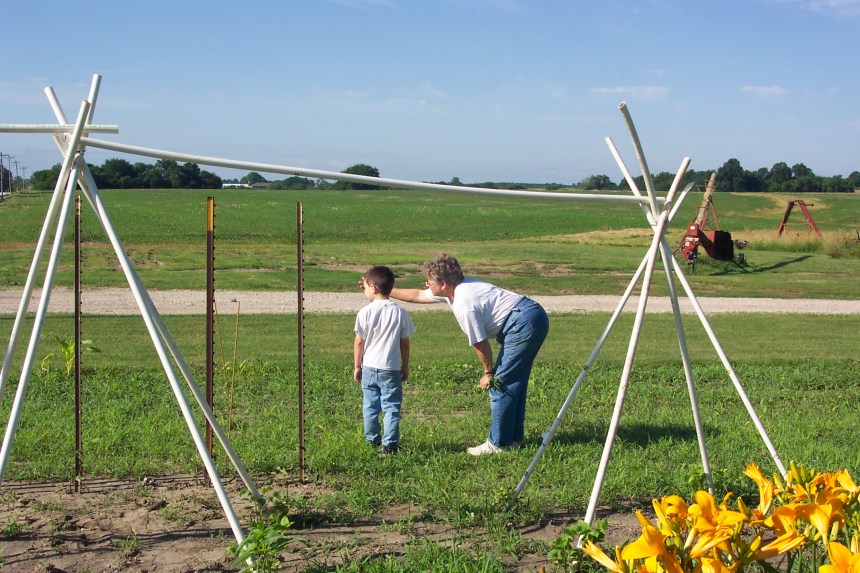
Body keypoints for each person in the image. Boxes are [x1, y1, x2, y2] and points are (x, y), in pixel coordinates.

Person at [391, 253, 549, 456]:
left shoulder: (464, 302)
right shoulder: (455, 289)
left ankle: (498, 444)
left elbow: (480, 343)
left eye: (429, 281)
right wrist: (387, 291)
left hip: (523, 323)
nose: (427, 285)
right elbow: (417, 295)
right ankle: (513, 439)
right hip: (531, 317)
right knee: (514, 381)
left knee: (500, 384)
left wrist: (488, 372)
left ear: (444, 284)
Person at [354, 265, 416, 455]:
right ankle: (389, 444)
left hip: (370, 366)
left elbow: (359, 342)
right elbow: (404, 343)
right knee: (391, 407)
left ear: (373, 288)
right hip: (391, 368)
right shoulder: (400, 312)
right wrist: (404, 366)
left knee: (370, 406)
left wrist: (357, 366)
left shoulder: (365, 312)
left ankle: (372, 439)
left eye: (364, 286)